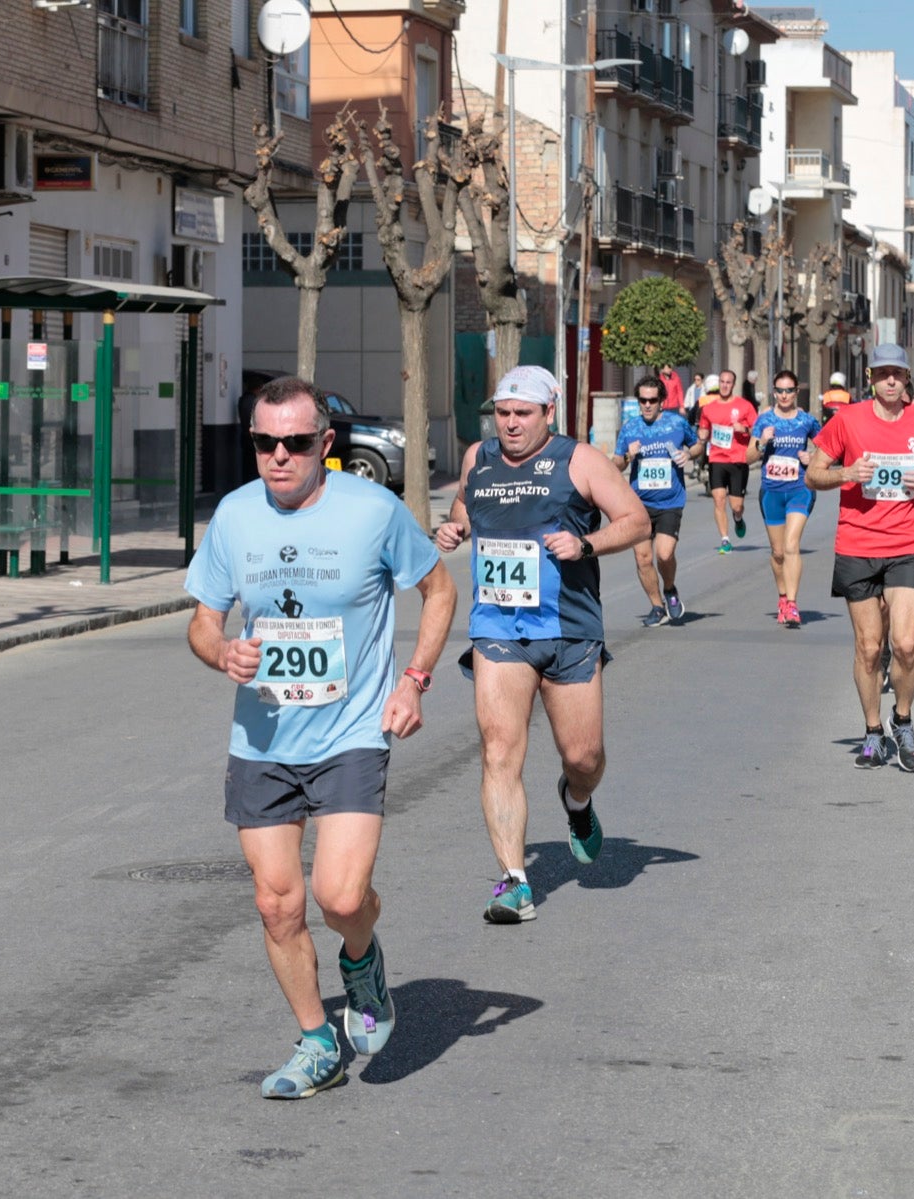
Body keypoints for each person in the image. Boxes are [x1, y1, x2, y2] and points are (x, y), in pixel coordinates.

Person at [185, 375, 458, 1099]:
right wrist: (221, 651)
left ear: (325, 444)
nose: (279, 456)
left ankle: (361, 958)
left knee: (339, 898)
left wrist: (415, 680)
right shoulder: (235, 517)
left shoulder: (373, 511)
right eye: (264, 442)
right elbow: (204, 618)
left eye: (296, 442)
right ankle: (316, 1042)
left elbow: (439, 589)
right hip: (263, 738)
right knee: (277, 903)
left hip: (351, 732)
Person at [434, 366, 650, 924]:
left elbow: (636, 521)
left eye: (522, 414)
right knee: (499, 751)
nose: (509, 424)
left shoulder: (580, 461)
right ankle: (514, 881)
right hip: (497, 628)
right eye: (502, 413)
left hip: (570, 629)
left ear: (548, 413)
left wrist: (586, 542)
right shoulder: (477, 460)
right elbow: (466, 506)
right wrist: (454, 528)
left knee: (583, 756)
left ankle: (577, 800)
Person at [804, 343, 914, 773]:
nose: (891, 379)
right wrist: (846, 474)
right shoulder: (847, 420)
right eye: (882, 372)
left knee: (905, 643)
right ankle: (872, 730)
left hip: (908, 542)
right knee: (869, 648)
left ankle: (903, 721)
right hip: (857, 545)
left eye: (898, 373)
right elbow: (815, 474)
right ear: (870, 377)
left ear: (908, 379)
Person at [614, 375, 701, 626]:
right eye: (643, 400)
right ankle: (656, 606)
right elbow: (615, 463)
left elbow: (697, 445)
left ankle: (670, 589)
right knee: (642, 558)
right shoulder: (631, 428)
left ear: (662, 401)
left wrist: (687, 454)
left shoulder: (676, 423)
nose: (648, 405)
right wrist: (628, 456)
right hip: (638, 504)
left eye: (653, 400)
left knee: (664, 554)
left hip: (669, 501)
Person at [747, 369, 824, 628]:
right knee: (778, 552)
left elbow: (827, 450)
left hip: (800, 489)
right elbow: (747, 457)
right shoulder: (764, 421)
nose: (783, 395)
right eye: (779, 390)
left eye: (788, 390)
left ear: (796, 392)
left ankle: (792, 603)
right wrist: (761, 443)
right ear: (774, 392)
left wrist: (812, 456)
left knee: (792, 545)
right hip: (771, 492)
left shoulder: (807, 421)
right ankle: (782, 596)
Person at [697, 369, 759, 553]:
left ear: (733, 384)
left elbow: (757, 430)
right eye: (722, 382)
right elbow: (703, 429)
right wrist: (702, 435)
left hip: (738, 459)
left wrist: (744, 429)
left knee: (736, 505)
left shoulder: (745, 406)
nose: (725, 385)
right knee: (718, 499)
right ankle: (725, 539)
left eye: (728, 382)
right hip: (716, 458)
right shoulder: (709, 409)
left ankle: (738, 518)